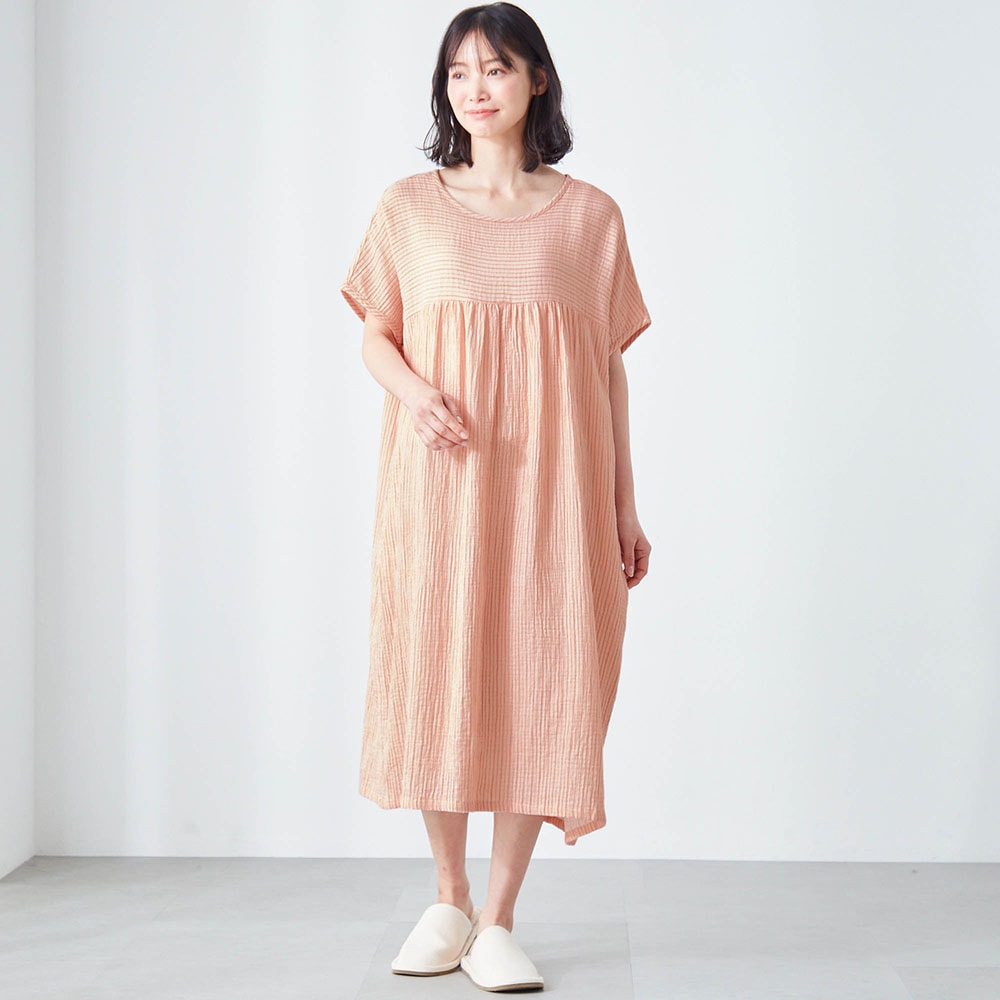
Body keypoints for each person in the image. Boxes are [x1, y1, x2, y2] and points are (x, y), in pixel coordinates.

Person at [340, 2, 652, 990]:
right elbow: (374, 333)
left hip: (556, 490)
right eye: (459, 72)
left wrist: (623, 505)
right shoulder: (407, 208)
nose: (476, 89)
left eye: (497, 69)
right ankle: (448, 896)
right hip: (439, 488)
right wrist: (414, 394)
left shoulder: (591, 218)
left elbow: (607, 369)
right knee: (439, 669)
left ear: (536, 80)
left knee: (541, 675)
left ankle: (501, 915)